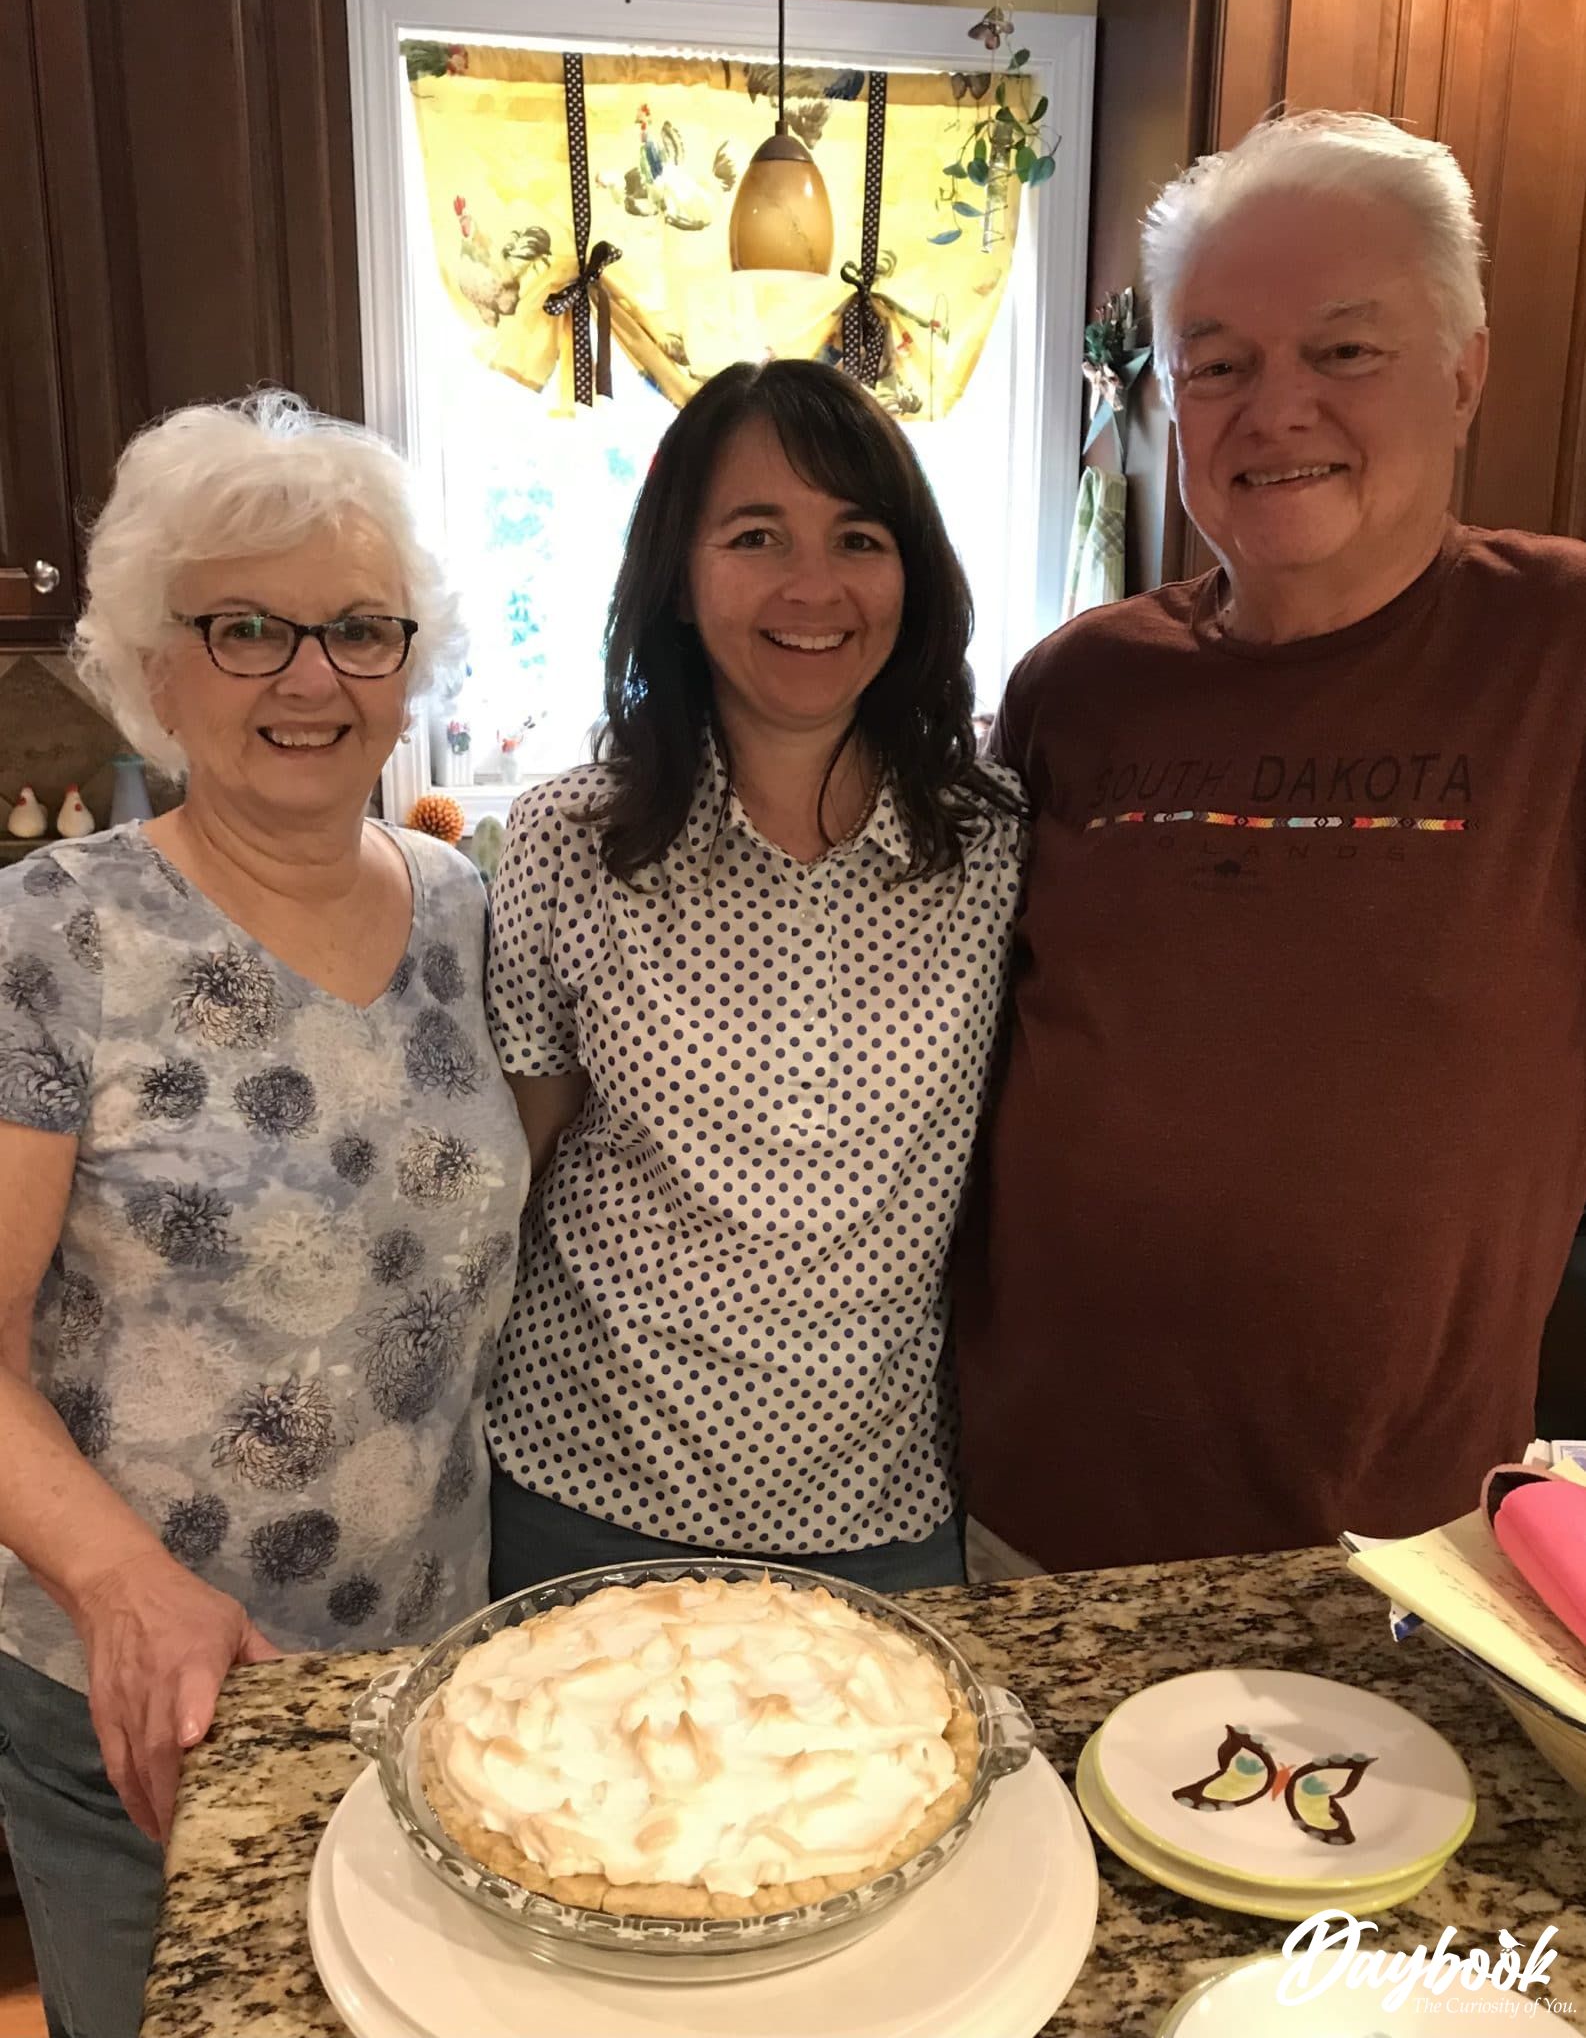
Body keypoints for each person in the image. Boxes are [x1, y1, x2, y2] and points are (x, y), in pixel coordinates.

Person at [957, 110, 1586, 1576]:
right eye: (1218, 363)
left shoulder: (1562, 652)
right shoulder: (1073, 687)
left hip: (1403, 1550)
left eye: (1343, 350)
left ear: (1464, 370)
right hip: (1024, 1524)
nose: (1274, 408)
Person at [0, 394, 529, 2038]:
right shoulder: (52, 934)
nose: (312, 678)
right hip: (146, 1703)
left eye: (360, 629)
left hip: (427, 1671)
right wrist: (121, 1587)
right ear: (154, 666)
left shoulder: (460, 909)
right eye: (246, 628)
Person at [484, 358, 1024, 1595]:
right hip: (581, 1485)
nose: (812, 586)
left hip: (880, 1506)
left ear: (911, 574)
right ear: (678, 578)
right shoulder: (570, 838)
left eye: (857, 538)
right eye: (754, 536)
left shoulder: (994, 842)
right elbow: (518, 1165)